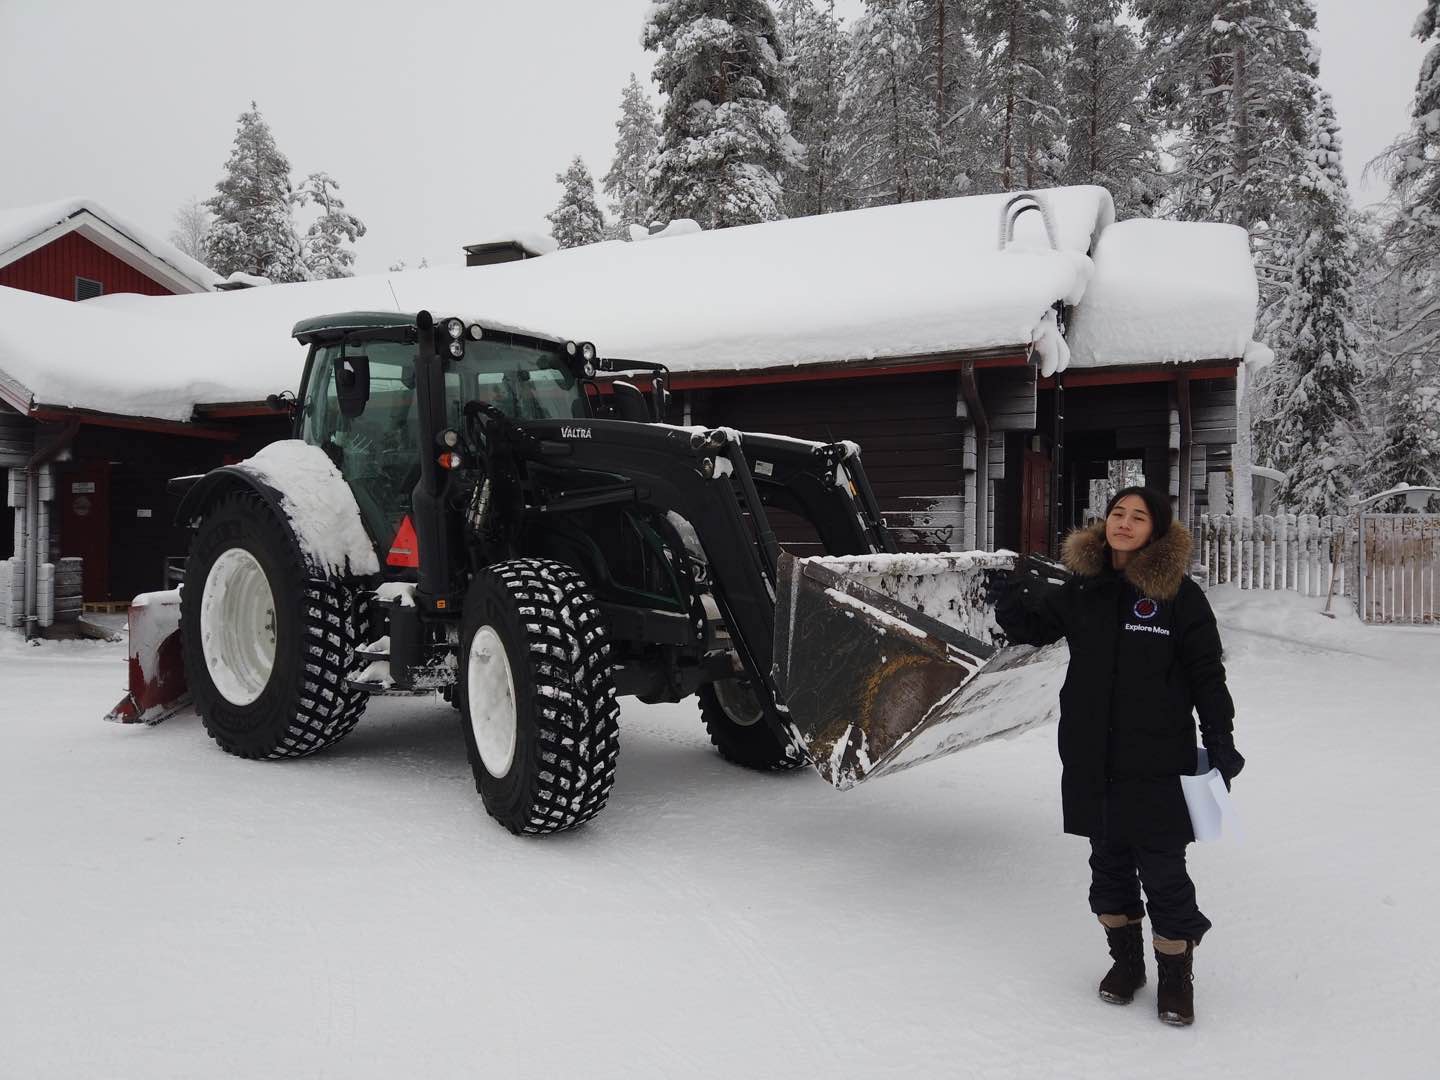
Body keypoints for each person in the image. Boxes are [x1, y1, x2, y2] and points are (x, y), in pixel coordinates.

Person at [993, 486, 1244, 1027]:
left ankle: (1176, 976)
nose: (1124, 524)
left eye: (1138, 517)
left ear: (1156, 530)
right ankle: (1126, 964)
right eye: (1117, 514)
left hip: (1157, 759)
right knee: (1107, 867)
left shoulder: (1178, 595)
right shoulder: (1083, 588)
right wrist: (1011, 597)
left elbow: (1206, 672)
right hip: (1091, 756)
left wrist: (1220, 738)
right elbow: (1034, 630)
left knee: (1163, 872)